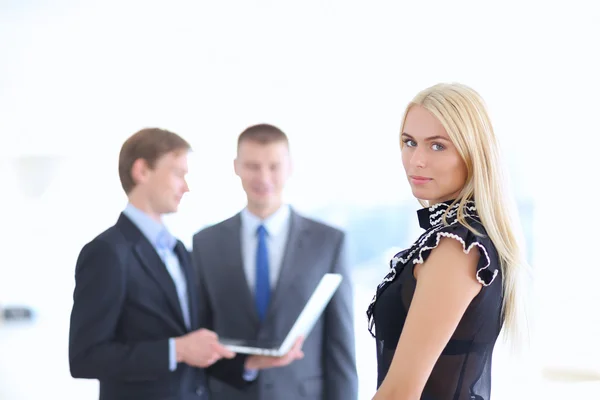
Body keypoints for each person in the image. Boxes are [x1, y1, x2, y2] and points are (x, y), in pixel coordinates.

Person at [68, 128, 303, 400]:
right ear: (142, 171)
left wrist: (250, 363)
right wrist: (175, 350)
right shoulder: (107, 252)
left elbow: (193, 345)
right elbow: (86, 357)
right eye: (178, 173)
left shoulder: (179, 250)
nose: (186, 186)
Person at [366, 83, 528, 400]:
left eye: (437, 146)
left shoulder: (458, 246)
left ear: (474, 153)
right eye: (409, 142)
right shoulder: (463, 238)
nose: (416, 161)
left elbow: (400, 393)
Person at [192, 123, 358, 400]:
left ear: (290, 166)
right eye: (253, 166)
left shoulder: (328, 242)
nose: (263, 177)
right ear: (236, 167)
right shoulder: (205, 243)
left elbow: (340, 345)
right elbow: (200, 335)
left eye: (274, 166)